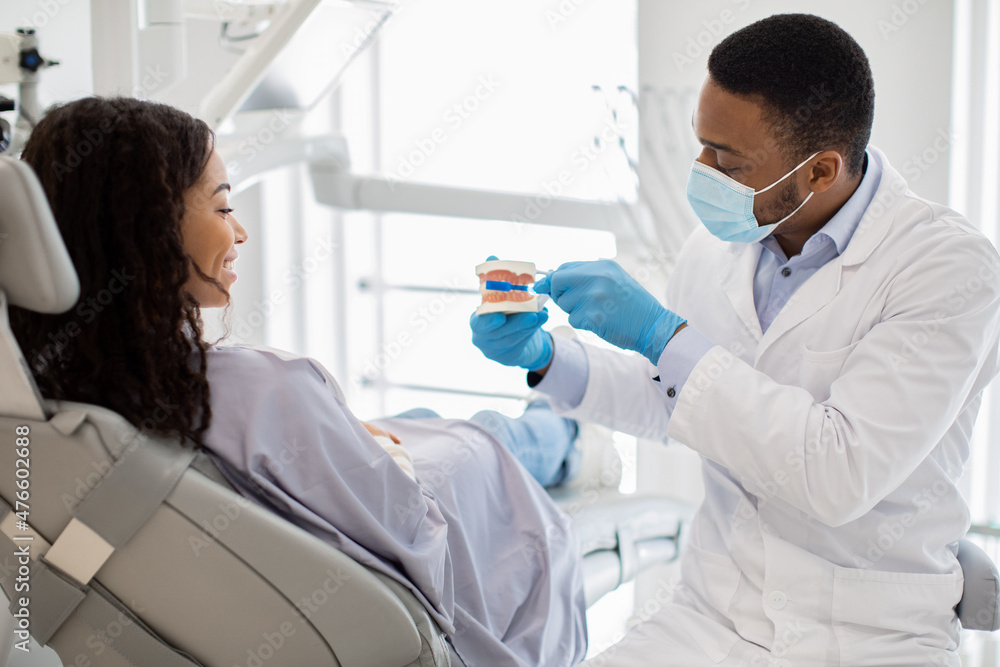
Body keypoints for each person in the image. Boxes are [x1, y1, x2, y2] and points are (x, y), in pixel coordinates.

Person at [471, 13, 1000, 667]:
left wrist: (663, 335)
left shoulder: (946, 269)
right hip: (710, 622)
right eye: (702, 144)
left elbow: (838, 472)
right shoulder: (720, 246)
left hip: (872, 637)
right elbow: (680, 403)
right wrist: (550, 359)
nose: (701, 170)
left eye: (728, 158)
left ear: (819, 171)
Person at [10, 96, 588, 666]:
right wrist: (397, 468)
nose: (240, 233)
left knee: (421, 424)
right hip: (440, 510)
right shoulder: (268, 390)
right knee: (479, 434)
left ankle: (552, 431)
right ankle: (567, 432)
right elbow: (418, 549)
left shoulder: (39, 398)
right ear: (151, 226)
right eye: (221, 207)